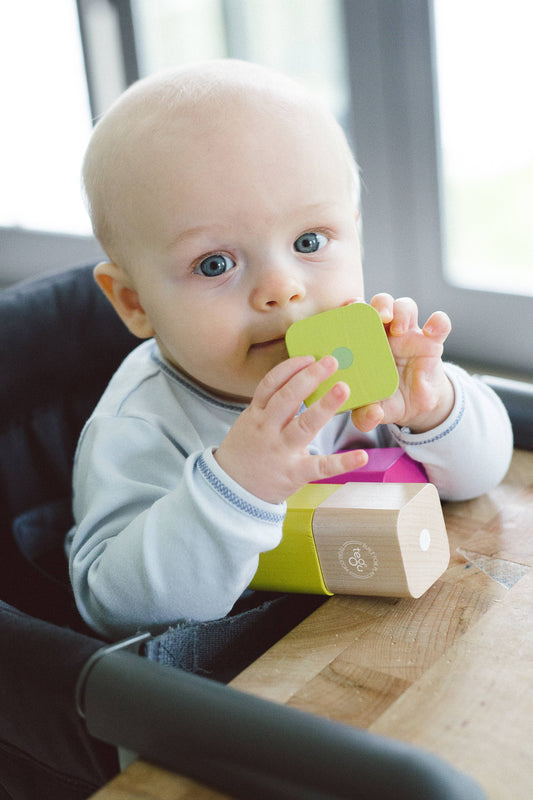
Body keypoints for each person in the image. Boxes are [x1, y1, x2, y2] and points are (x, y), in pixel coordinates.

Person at [67, 59, 513, 640]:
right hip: (241, 688)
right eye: (215, 264)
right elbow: (114, 607)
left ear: (354, 233)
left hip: (388, 629)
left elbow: (482, 476)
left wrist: (434, 409)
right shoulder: (140, 427)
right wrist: (236, 489)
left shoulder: (363, 359)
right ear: (134, 303)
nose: (282, 288)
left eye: (308, 242)